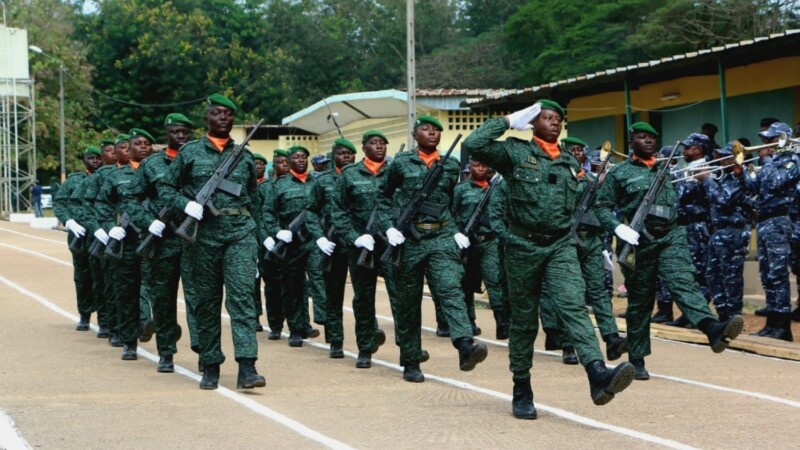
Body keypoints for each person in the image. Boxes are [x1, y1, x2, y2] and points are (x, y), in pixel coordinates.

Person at [463, 101, 633, 420]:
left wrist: (609, 231)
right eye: (547, 117)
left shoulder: (569, 162)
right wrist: (508, 121)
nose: (554, 122)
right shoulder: (515, 152)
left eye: (558, 119)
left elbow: (590, 202)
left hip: (560, 245)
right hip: (522, 246)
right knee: (525, 321)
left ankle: (597, 373)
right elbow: (474, 144)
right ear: (533, 122)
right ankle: (522, 387)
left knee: (573, 306)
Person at [593, 121, 745, 381]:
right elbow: (601, 206)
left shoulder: (669, 170)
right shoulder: (620, 173)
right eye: (642, 137)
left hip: (670, 236)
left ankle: (711, 328)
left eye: (652, 137)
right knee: (641, 300)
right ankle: (637, 359)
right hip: (638, 241)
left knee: (683, 281)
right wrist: (618, 227)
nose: (648, 141)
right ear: (631, 142)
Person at [159, 94, 266, 390]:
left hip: (240, 233)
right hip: (203, 236)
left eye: (228, 114)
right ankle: (210, 364)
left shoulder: (245, 156)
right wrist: (186, 204)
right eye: (217, 113)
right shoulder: (190, 153)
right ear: (206, 118)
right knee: (206, 303)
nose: (223, 118)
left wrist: (258, 245)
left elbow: (254, 201)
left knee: (242, 299)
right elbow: (166, 188)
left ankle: (247, 366)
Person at [378, 114, 488, 384]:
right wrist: (389, 227)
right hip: (408, 240)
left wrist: (455, 230)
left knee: (450, 287)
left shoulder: (450, 165)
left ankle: (464, 345)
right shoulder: (401, 162)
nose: (431, 133)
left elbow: (448, 202)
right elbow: (382, 196)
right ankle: (411, 360)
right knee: (408, 302)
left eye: (436, 130)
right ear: (414, 135)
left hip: (440, 236)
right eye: (425, 129)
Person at [122, 113, 193, 373]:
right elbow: (130, 198)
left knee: (199, 299)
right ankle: (166, 352)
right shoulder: (152, 165)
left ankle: (203, 351)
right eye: (175, 131)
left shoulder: (199, 159)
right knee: (163, 300)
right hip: (163, 241)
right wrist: (147, 222)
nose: (181, 136)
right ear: (166, 134)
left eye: (185, 131)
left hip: (196, 241)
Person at [94, 128, 156, 361]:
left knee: (154, 289)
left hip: (154, 239)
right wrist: (110, 227)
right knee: (126, 292)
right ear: (128, 149)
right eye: (137, 144)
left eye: (147, 144)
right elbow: (102, 203)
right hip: (126, 240)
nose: (143, 147)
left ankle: (155, 334)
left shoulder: (160, 172)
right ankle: (129, 341)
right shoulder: (115, 176)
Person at [262, 145, 322, 347]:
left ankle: (322, 320)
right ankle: (296, 328)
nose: (301, 159)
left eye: (304, 156)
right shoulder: (278, 185)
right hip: (290, 244)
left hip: (313, 240)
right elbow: (268, 213)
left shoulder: (317, 183)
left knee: (318, 277)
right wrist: (277, 232)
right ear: (288, 162)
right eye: (296, 157)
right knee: (293, 287)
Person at [745, 122, 798, 341]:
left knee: (778, 274)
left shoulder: (792, 161)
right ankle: (772, 322)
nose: (765, 144)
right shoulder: (770, 163)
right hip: (765, 221)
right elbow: (753, 187)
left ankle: (782, 326)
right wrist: (741, 172)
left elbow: (776, 182)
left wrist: (766, 161)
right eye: (765, 140)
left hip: (779, 220)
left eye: (770, 139)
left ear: (783, 139)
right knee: (767, 274)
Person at [452, 159, 507, 339]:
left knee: (494, 280)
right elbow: (450, 215)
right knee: (466, 283)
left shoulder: (496, 188)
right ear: (470, 167)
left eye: (484, 165)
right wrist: (456, 234)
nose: (481, 168)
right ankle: (469, 321)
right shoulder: (461, 190)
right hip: (467, 243)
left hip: (490, 241)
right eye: (476, 165)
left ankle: (501, 321)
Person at [53, 147, 102, 331]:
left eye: (98, 158)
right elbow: (60, 203)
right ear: (84, 161)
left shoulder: (107, 177)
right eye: (91, 158)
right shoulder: (74, 180)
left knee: (102, 278)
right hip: (80, 236)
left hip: (102, 235)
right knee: (83, 278)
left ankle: (105, 319)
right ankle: (85, 315)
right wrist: (69, 221)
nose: (95, 161)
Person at [703, 142, 753, 322]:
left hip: (733, 233)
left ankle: (733, 316)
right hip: (718, 232)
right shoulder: (724, 177)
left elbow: (724, 200)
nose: (721, 160)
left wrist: (707, 180)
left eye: (726, 157)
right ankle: (723, 314)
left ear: (736, 158)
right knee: (712, 275)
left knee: (731, 277)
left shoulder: (739, 178)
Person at [667, 133, 712, 328]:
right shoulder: (688, 169)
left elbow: (683, 195)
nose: (684, 151)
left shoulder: (705, 168)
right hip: (684, 226)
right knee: (686, 272)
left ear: (698, 149)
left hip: (697, 226)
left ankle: (700, 315)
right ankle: (688, 312)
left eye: (688, 147)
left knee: (699, 271)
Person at [260, 149, 290, 340]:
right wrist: (265, 237)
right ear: (274, 165)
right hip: (270, 244)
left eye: (287, 161)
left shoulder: (298, 185)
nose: (285, 165)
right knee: (272, 287)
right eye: (280, 162)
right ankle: (276, 325)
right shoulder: (264, 187)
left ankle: (298, 324)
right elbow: (258, 215)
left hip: (292, 242)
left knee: (294, 285)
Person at [252, 152, 269, 332]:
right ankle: (255, 316)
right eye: (255, 163)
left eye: (261, 164)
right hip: (250, 236)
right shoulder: (245, 185)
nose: (258, 166)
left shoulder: (269, 185)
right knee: (253, 280)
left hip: (268, 237)